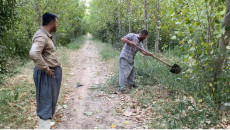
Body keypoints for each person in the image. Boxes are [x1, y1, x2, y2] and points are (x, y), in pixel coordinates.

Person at [29, 12, 62, 129]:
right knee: (45, 102)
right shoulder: (41, 36)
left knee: (50, 100)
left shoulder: (45, 35)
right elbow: (34, 53)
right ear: (52, 22)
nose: (57, 25)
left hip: (50, 75)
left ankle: (45, 123)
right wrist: (47, 69)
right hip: (46, 75)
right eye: (56, 22)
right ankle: (44, 126)